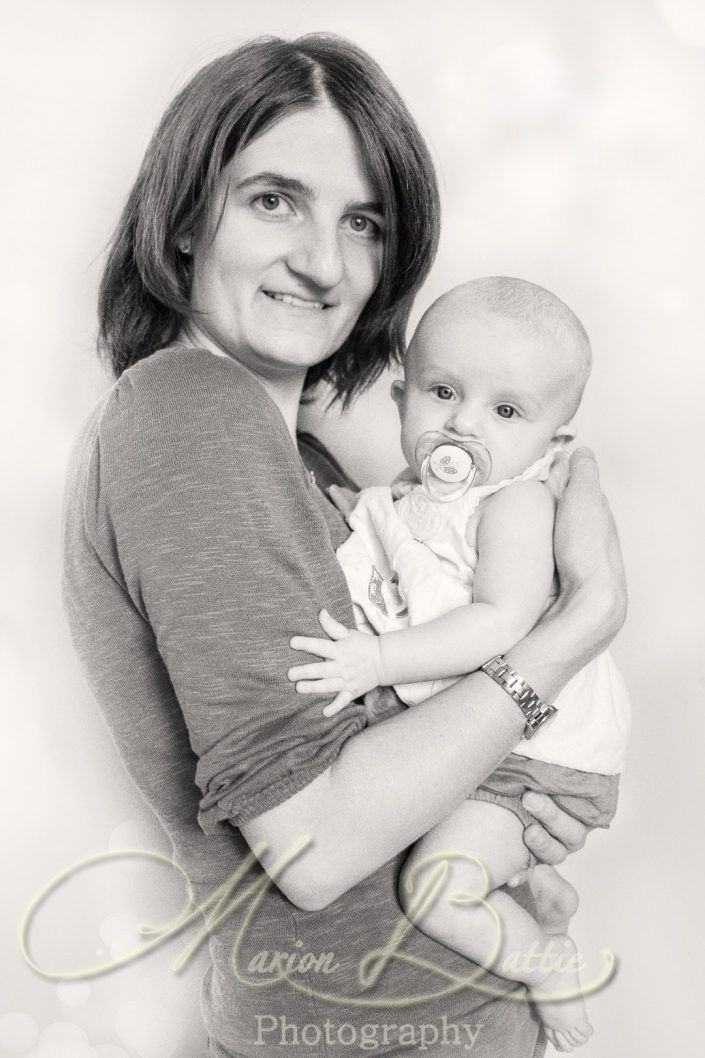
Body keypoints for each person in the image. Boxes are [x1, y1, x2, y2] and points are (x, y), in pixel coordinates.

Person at [61, 34, 626, 1058]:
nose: (324, 262)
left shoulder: (310, 458)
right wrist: (577, 628)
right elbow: (315, 847)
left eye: (362, 220)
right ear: (188, 216)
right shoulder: (191, 416)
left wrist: (518, 818)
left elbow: (402, 758)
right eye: (274, 199)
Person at [288, 276, 631, 1052]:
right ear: (402, 395)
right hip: (481, 746)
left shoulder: (514, 505)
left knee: (435, 886)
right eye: (443, 392)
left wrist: (375, 658)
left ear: (551, 436)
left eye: (505, 412)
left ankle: (546, 958)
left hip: (535, 759)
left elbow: (498, 621)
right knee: (423, 845)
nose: (464, 424)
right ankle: (535, 897)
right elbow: (386, 551)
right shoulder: (404, 500)